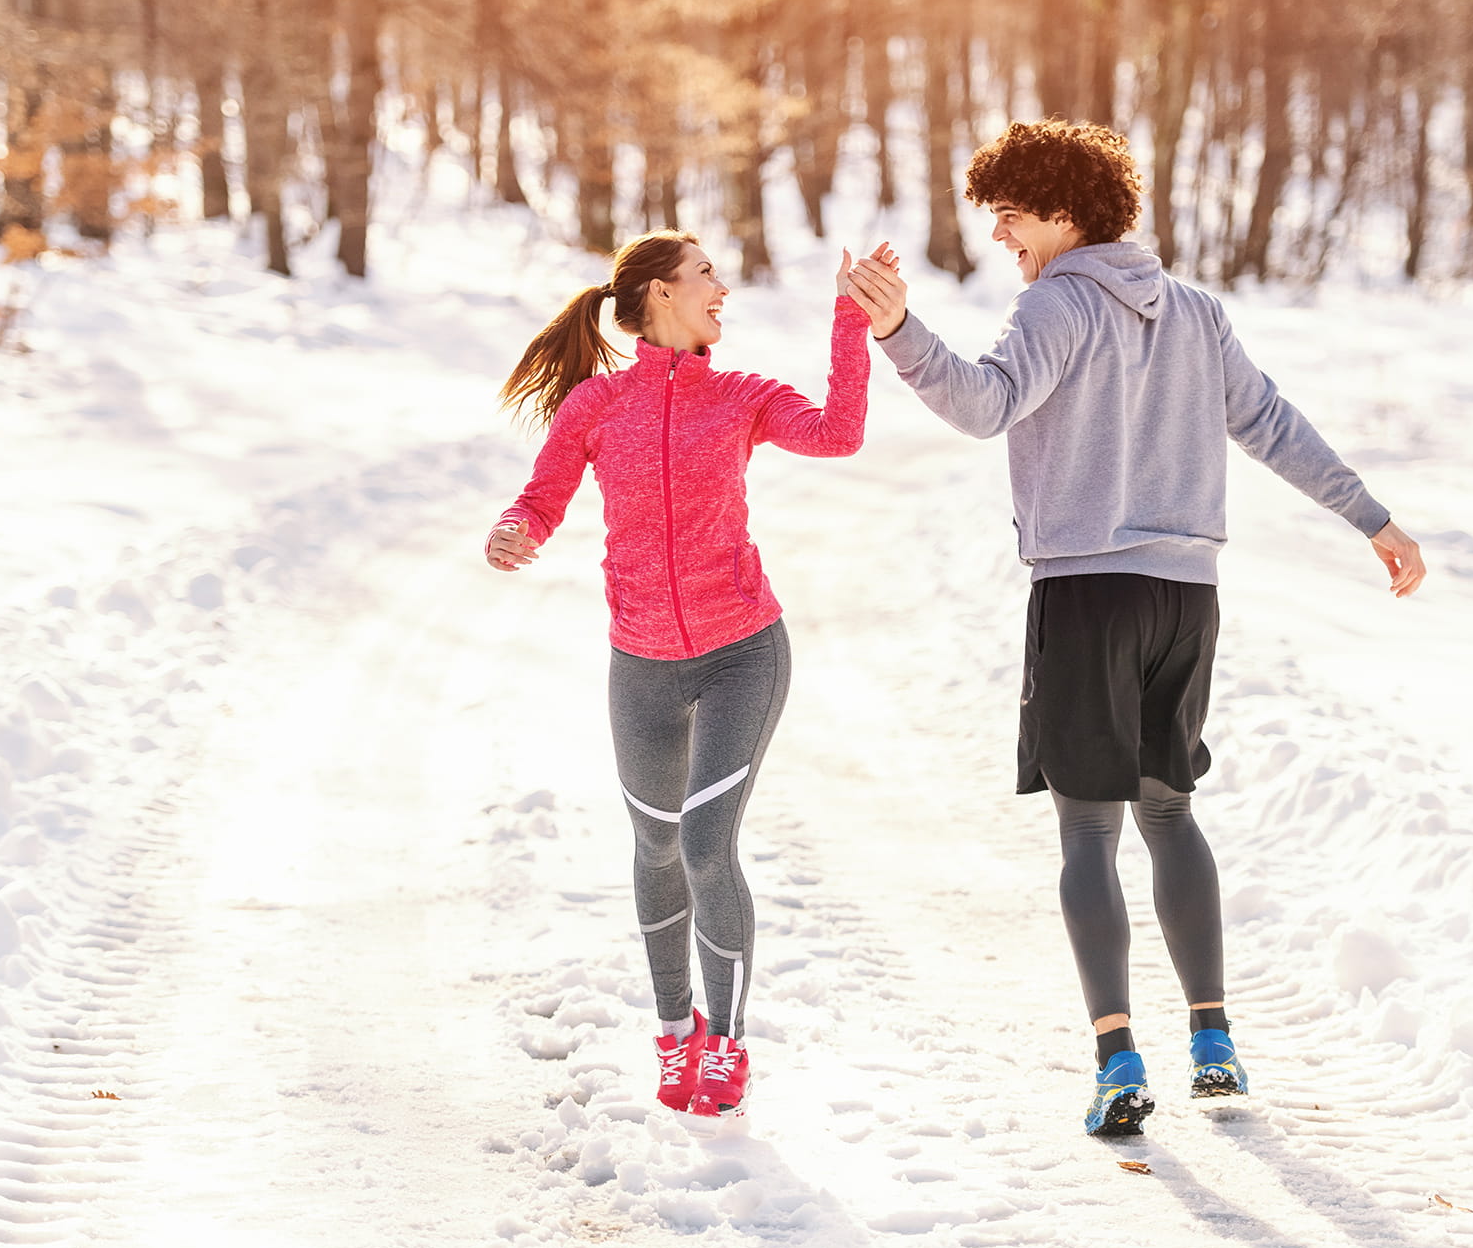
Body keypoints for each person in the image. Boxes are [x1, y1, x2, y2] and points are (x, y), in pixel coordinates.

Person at [843, 120, 1425, 1138]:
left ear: (1063, 215)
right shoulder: (1195, 312)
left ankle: (1117, 1058)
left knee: (1087, 829)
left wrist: (899, 331)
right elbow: (1274, 423)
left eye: (1012, 220)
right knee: (1169, 812)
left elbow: (985, 405)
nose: (1004, 241)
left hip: (1088, 592)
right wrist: (1371, 516)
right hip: (1185, 598)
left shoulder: (1058, 304)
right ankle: (1214, 1040)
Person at [487, 230, 902, 1119]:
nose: (724, 288)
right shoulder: (598, 405)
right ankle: (674, 1033)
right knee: (654, 849)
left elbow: (839, 434)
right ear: (659, 295)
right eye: (706, 274)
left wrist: (848, 319)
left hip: (742, 652)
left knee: (708, 846)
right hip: (640, 663)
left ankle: (729, 1044)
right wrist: (516, 529)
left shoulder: (740, 398)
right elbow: (544, 495)